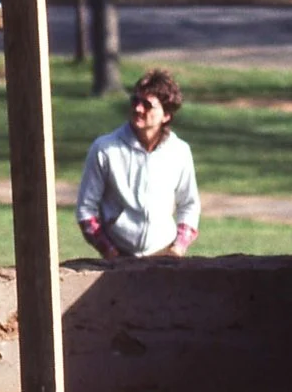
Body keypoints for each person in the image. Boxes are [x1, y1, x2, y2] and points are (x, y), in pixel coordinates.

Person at [76, 67, 200, 259]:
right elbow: (85, 210)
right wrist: (109, 251)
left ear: (166, 115)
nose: (138, 109)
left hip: (164, 255)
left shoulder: (180, 151)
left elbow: (189, 205)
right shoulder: (104, 149)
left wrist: (178, 249)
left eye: (148, 105)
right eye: (135, 101)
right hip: (117, 257)